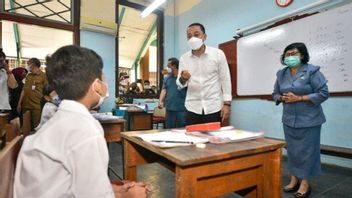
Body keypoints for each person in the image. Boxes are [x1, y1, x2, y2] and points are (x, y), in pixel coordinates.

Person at [14, 45, 150, 198]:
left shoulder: (60, 120)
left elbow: (71, 183)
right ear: (97, 85)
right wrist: (129, 195)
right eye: (103, 78)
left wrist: (113, 189)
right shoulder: (86, 130)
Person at [272, 42, 329, 198]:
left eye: (294, 53)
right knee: (293, 150)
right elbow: (275, 94)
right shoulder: (281, 74)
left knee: (307, 152)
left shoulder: (312, 71)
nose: (290, 57)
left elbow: (324, 93)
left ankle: (305, 182)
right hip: (289, 120)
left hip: (310, 120)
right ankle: (293, 178)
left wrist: (301, 98)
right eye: (287, 54)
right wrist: (280, 97)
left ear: (302, 55)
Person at [176, 23, 232, 125]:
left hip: (214, 107)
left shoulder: (218, 54)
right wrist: (183, 79)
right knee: (193, 139)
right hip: (192, 107)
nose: (192, 38)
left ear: (204, 36)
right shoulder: (184, 58)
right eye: (189, 36)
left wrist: (227, 104)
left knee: (213, 139)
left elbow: (225, 79)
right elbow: (179, 84)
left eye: (196, 34)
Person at [17, 58, 48, 130]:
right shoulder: (28, 76)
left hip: (36, 106)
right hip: (25, 105)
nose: (27, 66)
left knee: (36, 128)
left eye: (28, 64)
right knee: (25, 127)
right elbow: (24, 90)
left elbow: (47, 90)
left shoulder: (43, 76)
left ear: (33, 65)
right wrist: (19, 103)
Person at [159, 57, 187, 128]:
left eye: (169, 65)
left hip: (181, 109)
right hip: (169, 108)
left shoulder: (183, 78)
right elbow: (164, 90)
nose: (167, 67)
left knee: (182, 129)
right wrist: (160, 101)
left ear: (174, 66)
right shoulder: (167, 78)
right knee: (169, 129)